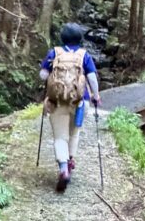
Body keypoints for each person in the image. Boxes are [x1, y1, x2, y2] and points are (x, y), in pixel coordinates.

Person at [39, 23, 100, 192]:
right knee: (74, 133)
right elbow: (92, 78)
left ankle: (63, 168)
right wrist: (96, 96)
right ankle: (71, 160)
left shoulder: (54, 53)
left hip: (57, 101)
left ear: (62, 37)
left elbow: (42, 75)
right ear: (80, 38)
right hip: (80, 101)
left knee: (60, 137)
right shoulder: (84, 55)